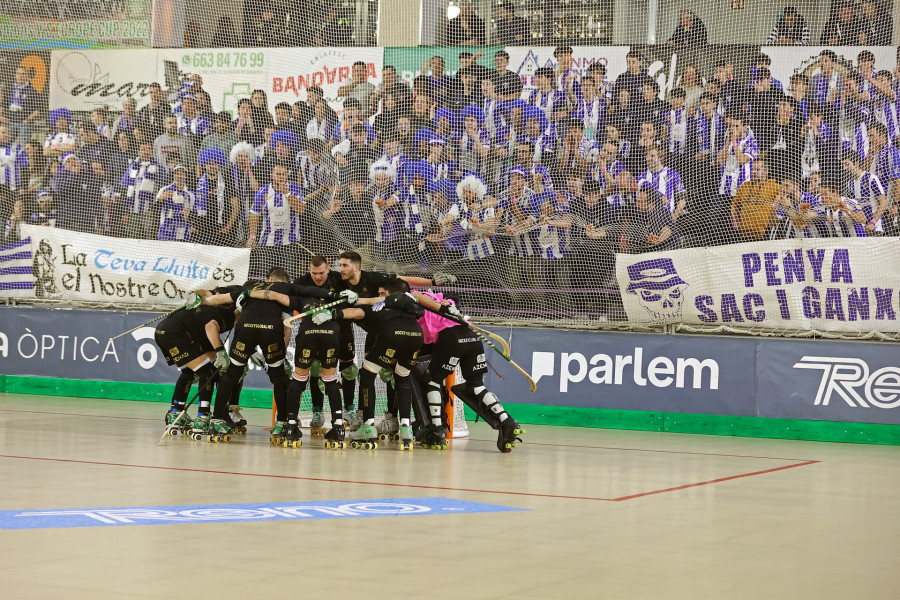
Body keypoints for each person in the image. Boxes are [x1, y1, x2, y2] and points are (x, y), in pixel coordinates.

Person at [200, 267, 347, 441]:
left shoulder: (251, 288)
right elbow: (310, 292)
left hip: (245, 327)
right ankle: (282, 423)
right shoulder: (288, 289)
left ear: (268, 280)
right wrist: (336, 296)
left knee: (232, 374)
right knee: (278, 377)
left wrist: (200, 301)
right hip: (270, 329)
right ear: (287, 282)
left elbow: (218, 299)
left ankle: (217, 420)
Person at [318, 277, 425, 449]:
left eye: (384, 293)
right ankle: (406, 428)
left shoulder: (383, 304)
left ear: (389, 294)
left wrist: (334, 314)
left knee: (367, 375)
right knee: (403, 377)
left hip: (392, 334)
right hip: (416, 334)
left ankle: (368, 426)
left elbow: (358, 313)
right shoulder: (413, 305)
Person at [155, 292, 238, 435]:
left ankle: (176, 412)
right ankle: (203, 417)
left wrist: (217, 356)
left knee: (188, 372)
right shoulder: (227, 316)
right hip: (176, 333)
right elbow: (211, 328)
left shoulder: (206, 312)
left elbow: (206, 344)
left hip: (161, 331)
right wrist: (221, 352)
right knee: (207, 372)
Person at [121, 141, 167, 239]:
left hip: (149, 212)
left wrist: (154, 210)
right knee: (133, 239)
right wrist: (125, 212)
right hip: (132, 211)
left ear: (152, 151)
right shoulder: (131, 168)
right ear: (138, 152)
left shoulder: (159, 169)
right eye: (142, 149)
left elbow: (162, 192)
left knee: (149, 239)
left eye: (148, 149)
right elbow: (124, 190)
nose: (145, 152)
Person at [731, 159, 780, 241]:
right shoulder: (744, 186)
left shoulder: (773, 186)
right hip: (742, 235)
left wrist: (775, 204)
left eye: (757, 170)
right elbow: (734, 206)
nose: (753, 172)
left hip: (763, 235)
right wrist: (736, 222)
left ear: (765, 171)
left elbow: (786, 195)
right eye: (752, 169)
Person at [0, 65, 42, 150]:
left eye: (23, 74)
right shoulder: (9, 89)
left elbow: (38, 110)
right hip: (9, 122)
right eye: (18, 74)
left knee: (23, 147)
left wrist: (28, 119)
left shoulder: (32, 91)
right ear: (15, 75)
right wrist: (1, 117)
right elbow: (3, 106)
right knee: (4, 145)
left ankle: (22, 162)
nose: (20, 76)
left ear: (27, 76)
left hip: (24, 123)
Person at [155, 164, 196, 242]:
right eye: (177, 173)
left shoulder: (191, 194)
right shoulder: (164, 190)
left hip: (183, 230)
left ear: (186, 176)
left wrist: (189, 215)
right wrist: (161, 199)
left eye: (182, 173)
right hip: (166, 229)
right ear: (173, 175)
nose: (179, 176)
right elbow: (155, 210)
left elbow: (194, 212)